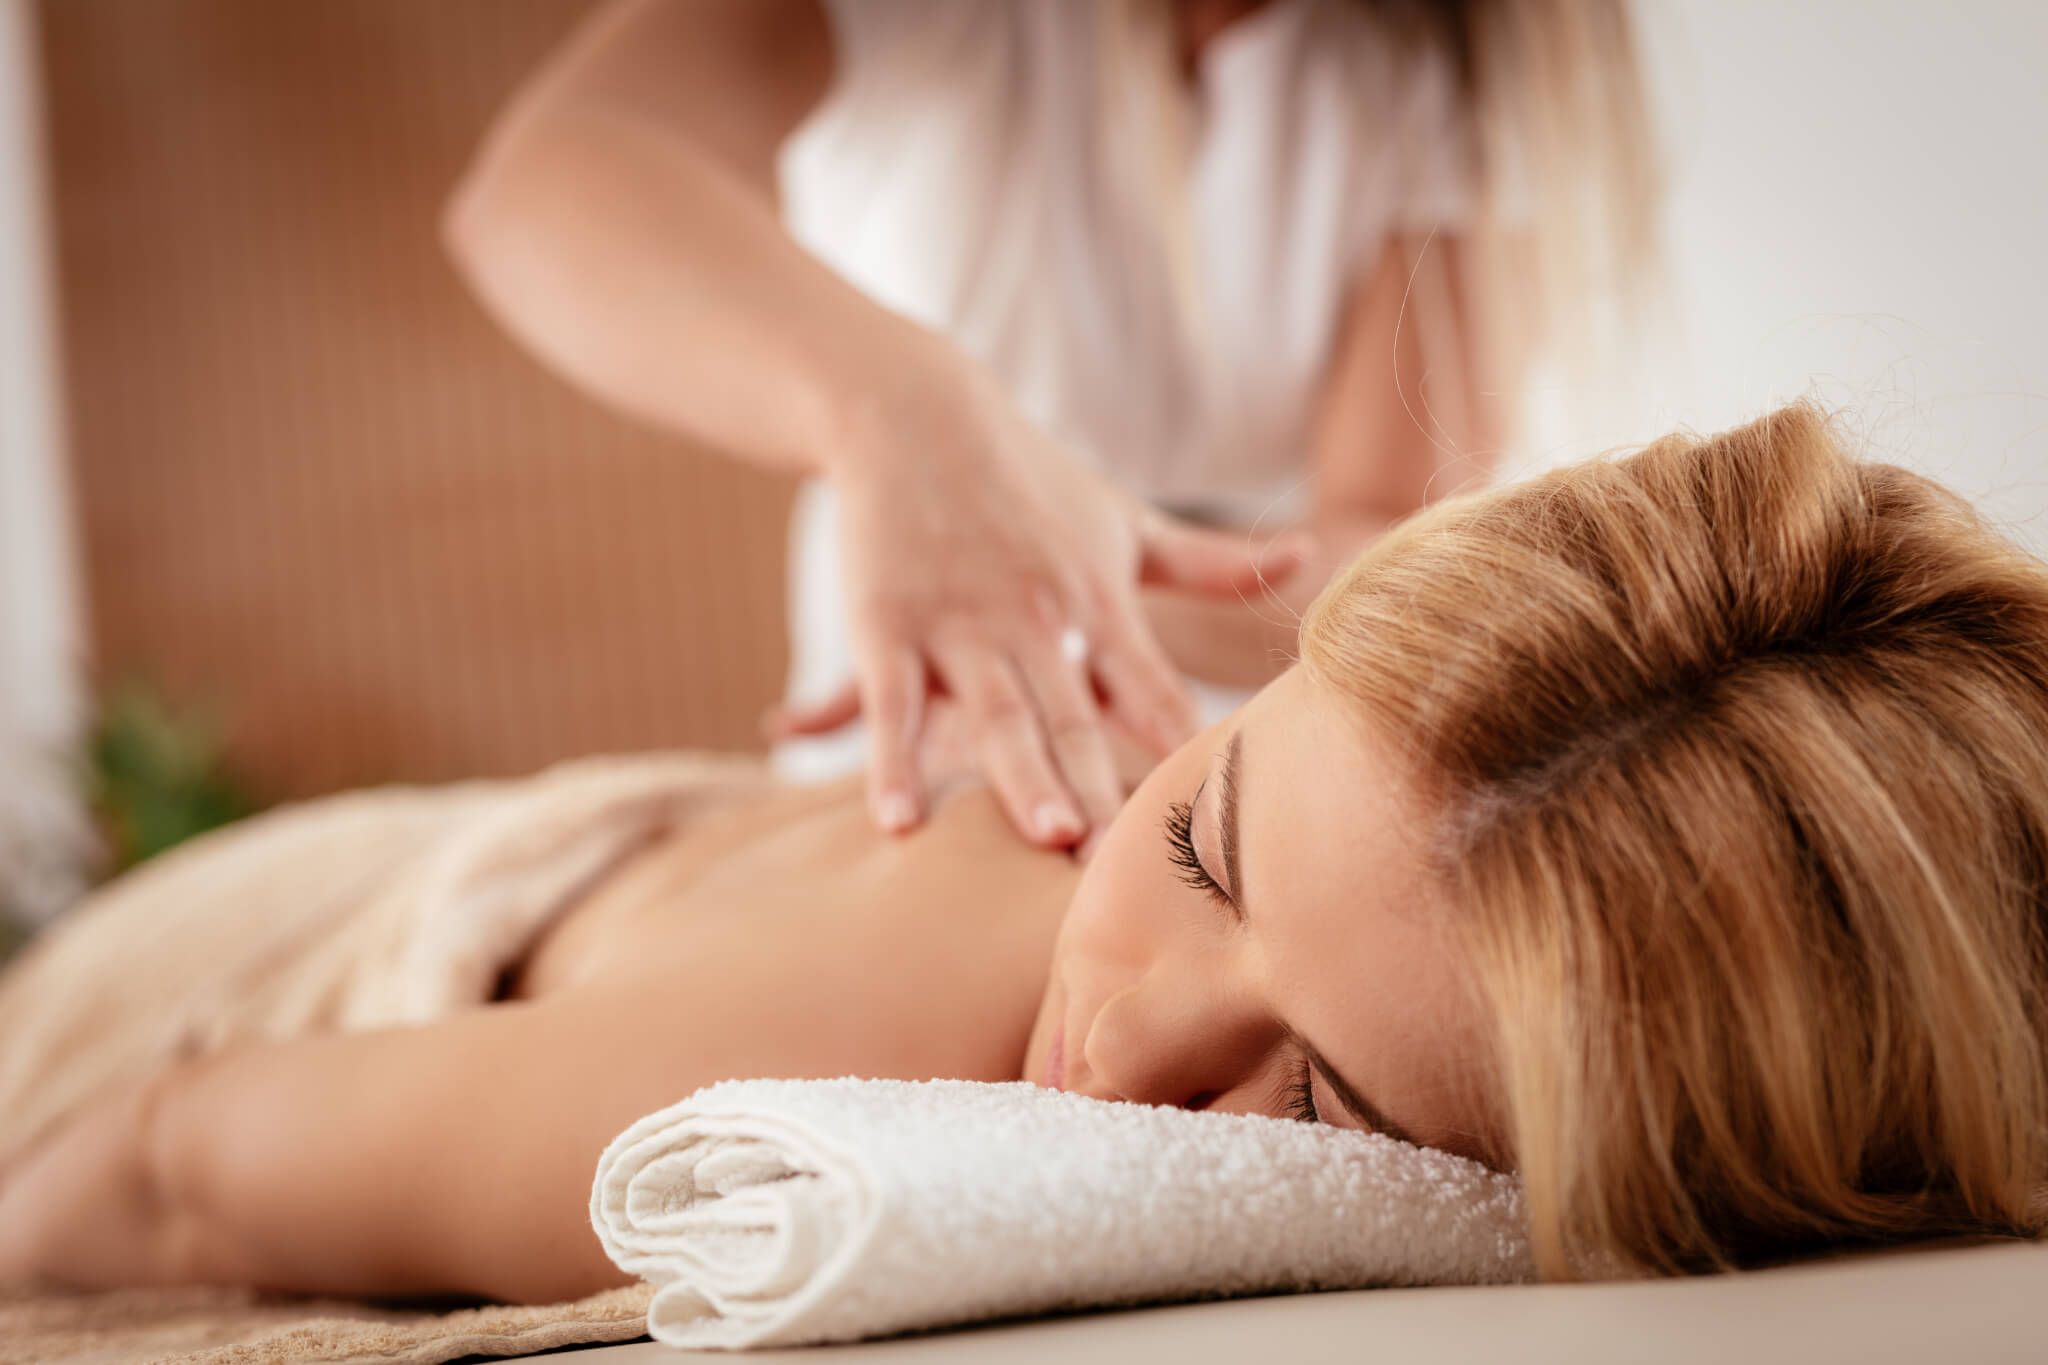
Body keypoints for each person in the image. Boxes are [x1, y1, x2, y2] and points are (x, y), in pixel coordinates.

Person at [4, 405, 2045, 1299]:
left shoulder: (1408, 808)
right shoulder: (828, 1052)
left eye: (1321, 1096)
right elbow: (173, 1168)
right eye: (1195, 839)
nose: (1126, 1045)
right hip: (272, 946)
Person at [442, 0, 1658, 851]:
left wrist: (1074, 556)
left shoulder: (1436, 73)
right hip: (913, 746)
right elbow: (547, 184)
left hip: (1250, 752)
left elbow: (1380, 534)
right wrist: (904, 416)